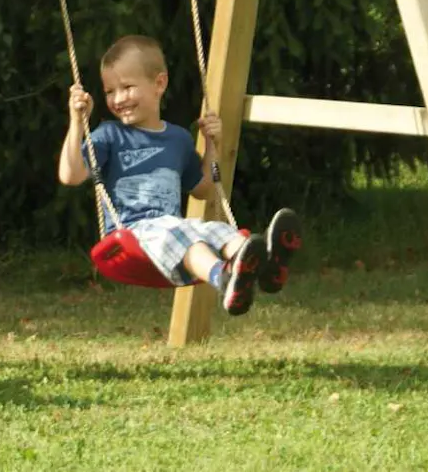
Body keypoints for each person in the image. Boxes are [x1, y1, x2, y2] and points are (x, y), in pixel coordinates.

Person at [57, 35, 305, 315]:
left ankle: (266, 269)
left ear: (159, 84)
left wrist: (212, 146)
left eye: (127, 87)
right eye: (110, 91)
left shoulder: (178, 139)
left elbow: (202, 189)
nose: (118, 99)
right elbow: (70, 175)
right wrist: (78, 122)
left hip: (174, 226)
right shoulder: (109, 136)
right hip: (133, 234)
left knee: (215, 229)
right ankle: (222, 279)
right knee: (185, 237)